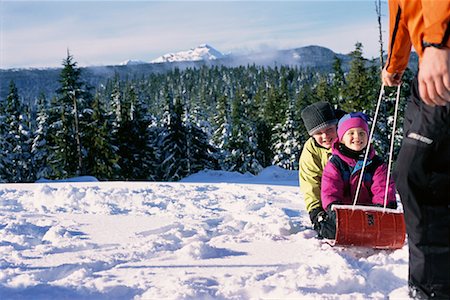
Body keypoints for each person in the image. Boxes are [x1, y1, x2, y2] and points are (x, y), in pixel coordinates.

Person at [382, 1, 450, 299]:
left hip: (441, 56)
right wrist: (395, 63)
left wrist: (439, 42)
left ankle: (433, 290)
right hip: (427, 67)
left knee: (419, 174)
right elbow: (404, 9)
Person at [317, 112, 397, 239]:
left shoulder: (376, 163)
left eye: (362, 133)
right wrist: (334, 209)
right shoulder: (335, 164)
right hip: (344, 215)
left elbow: (383, 188)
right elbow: (330, 190)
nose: (357, 137)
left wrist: (384, 207)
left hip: (371, 215)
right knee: (329, 230)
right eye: (351, 133)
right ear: (342, 138)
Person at [299, 101, 345, 236]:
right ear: (312, 135)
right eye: (319, 133)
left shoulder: (350, 139)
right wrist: (316, 211)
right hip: (329, 203)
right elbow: (310, 182)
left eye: (329, 129)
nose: (325, 136)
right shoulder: (311, 150)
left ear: (336, 125)